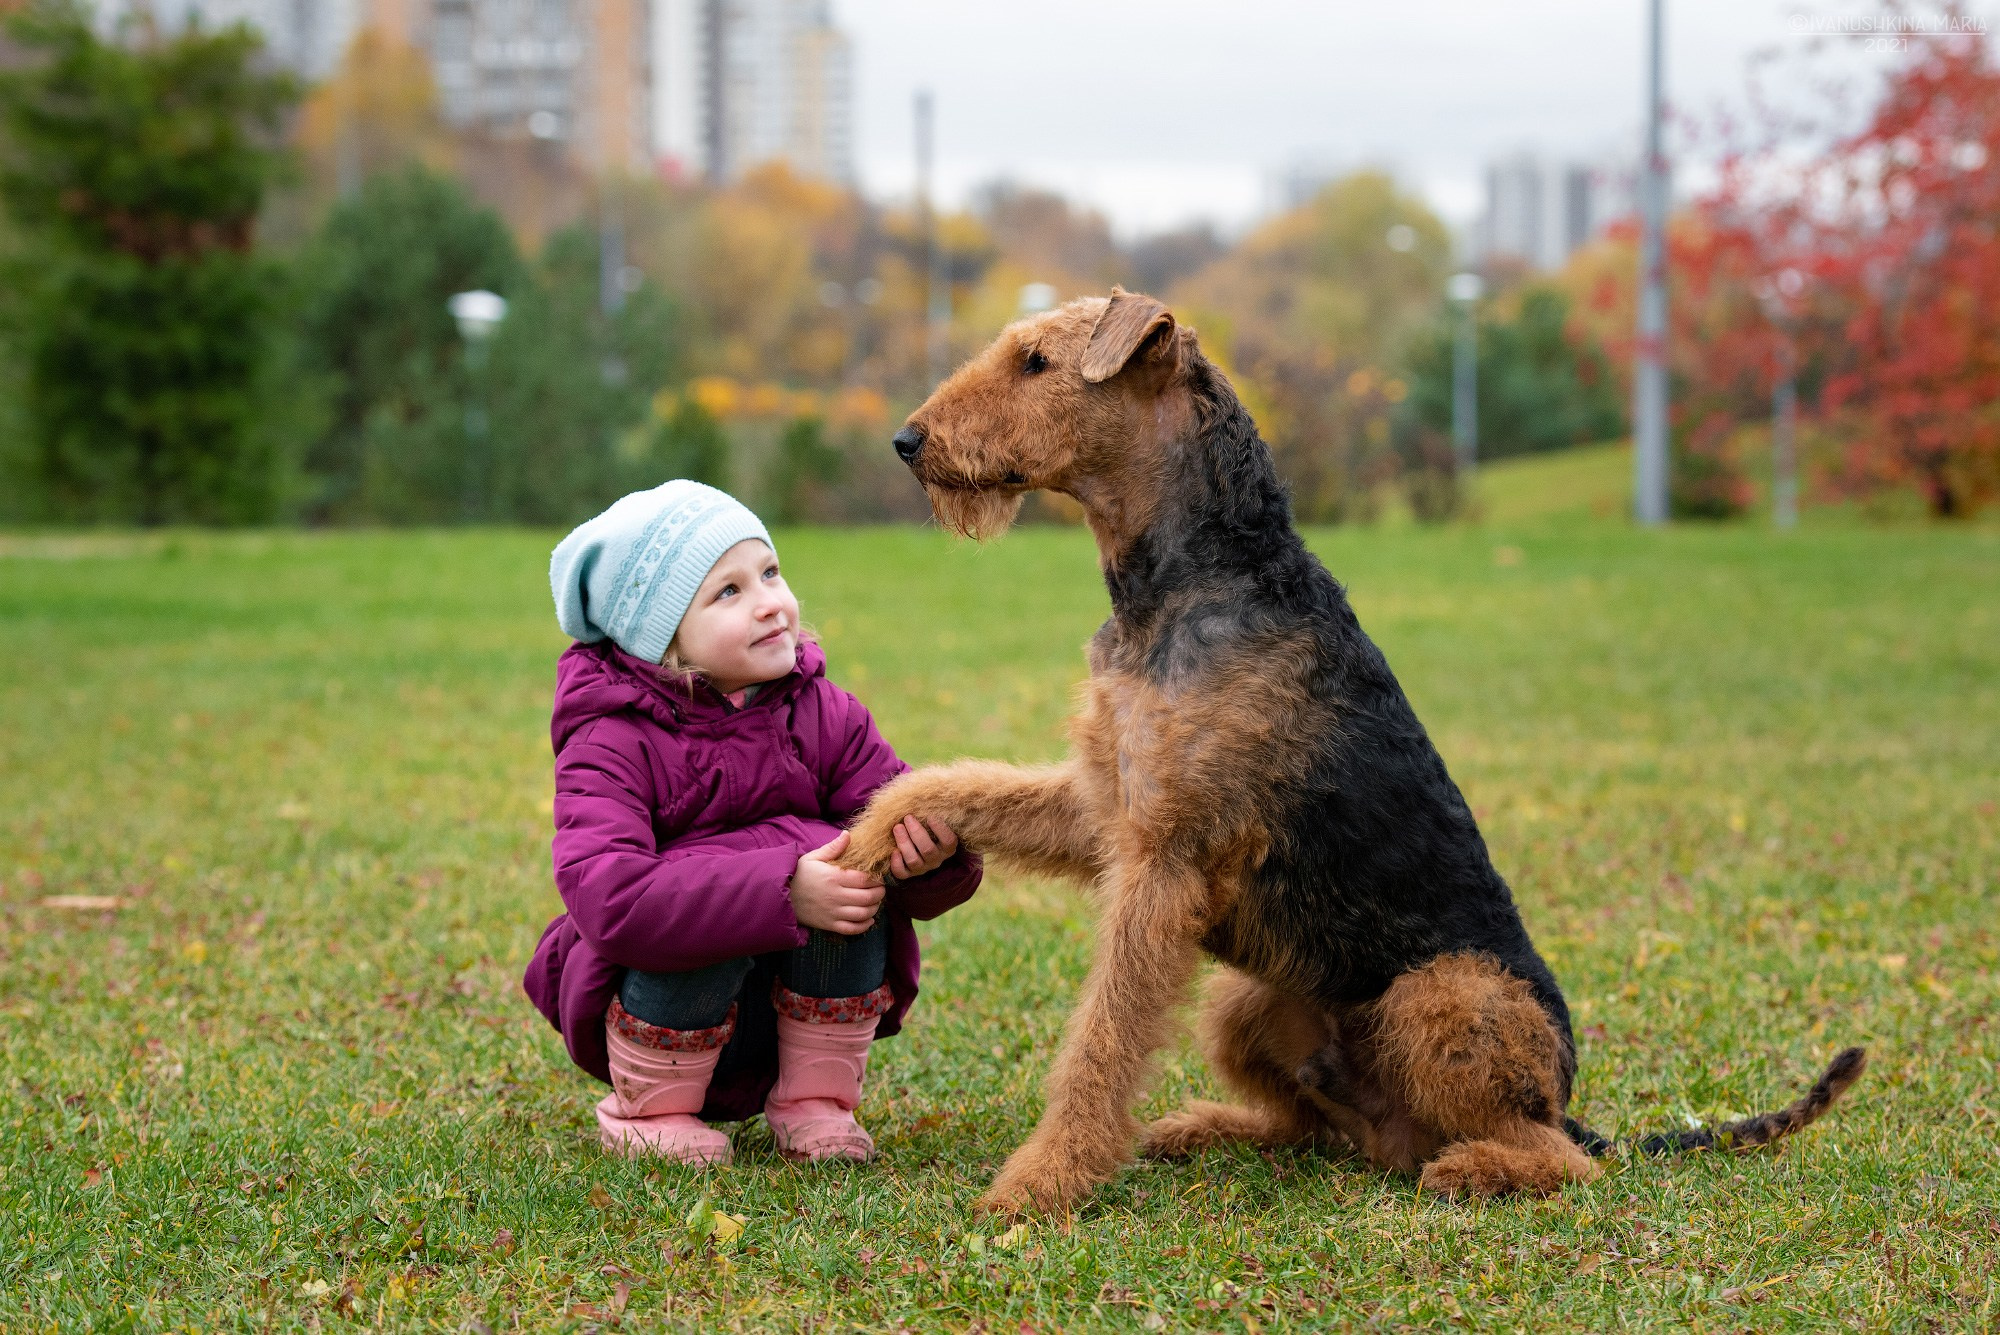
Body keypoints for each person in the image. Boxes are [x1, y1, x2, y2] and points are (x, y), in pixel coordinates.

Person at [523, 480, 981, 1165]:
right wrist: (781, 890)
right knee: (714, 896)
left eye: (769, 571)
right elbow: (609, 894)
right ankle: (651, 1110)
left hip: (787, 1016)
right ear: (663, 637)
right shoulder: (611, 739)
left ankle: (814, 1100)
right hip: (663, 1011)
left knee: (853, 867)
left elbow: (890, 806)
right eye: (728, 592)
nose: (771, 602)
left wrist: (927, 853)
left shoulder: (824, 710)